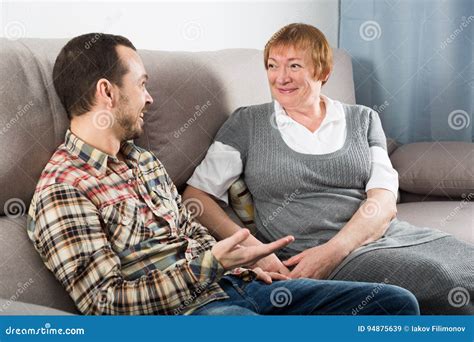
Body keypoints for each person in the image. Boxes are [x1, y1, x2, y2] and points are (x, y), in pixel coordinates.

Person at [26, 33, 419, 316]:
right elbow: (104, 304)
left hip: (239, 285)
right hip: (189, 313)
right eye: (142, 85)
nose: (150, 98)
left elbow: (191, 230)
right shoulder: (64, 188)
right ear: (107, 93)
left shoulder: (144, 162)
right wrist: (212, 264)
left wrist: (246, 262)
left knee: (396, 305)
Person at [184, 23, 474, 314]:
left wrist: (333, 252)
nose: (280, 77)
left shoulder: (363, 118)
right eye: (272, 66)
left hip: (375, 238)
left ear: (323, 72)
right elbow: (196, 196)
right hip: (305, 253)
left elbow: (384, 200)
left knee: (468, 265)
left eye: (294, 65)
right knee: (443, 280)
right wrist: (250, 249)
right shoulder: (247, 124)